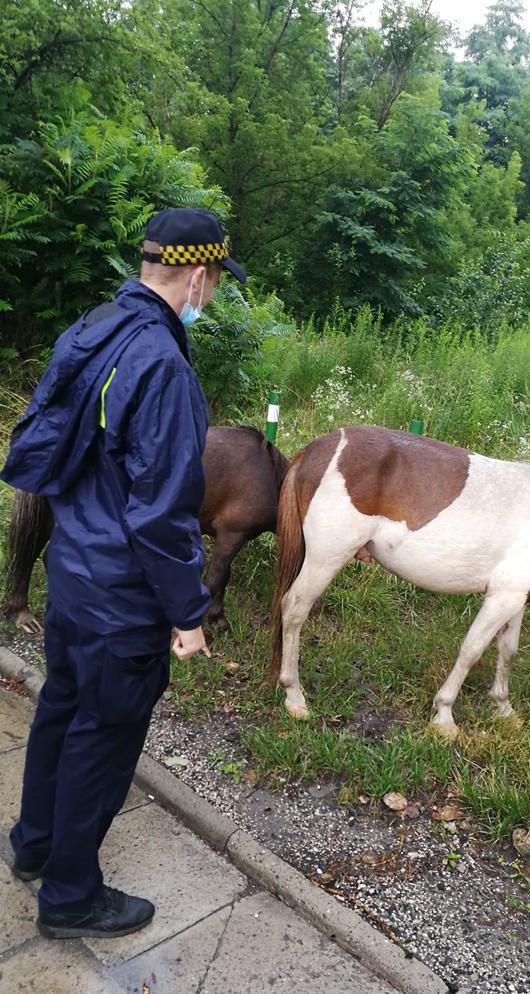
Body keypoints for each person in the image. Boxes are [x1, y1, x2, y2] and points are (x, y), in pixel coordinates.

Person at [0, 208, 246, 940]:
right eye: (216, 284)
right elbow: (163, 515)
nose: (212, 297)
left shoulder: (95, 327)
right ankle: (71, 895)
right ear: (199, 277)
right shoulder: (164, 368)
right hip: (122, 601)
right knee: (102, 741)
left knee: (59, 713)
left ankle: (33, 848)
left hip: (72, 575)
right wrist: (188, 614)